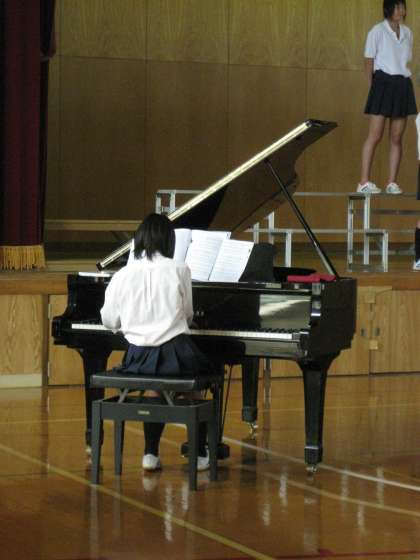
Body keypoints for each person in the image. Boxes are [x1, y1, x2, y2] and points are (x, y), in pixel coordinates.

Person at [100, 213, 214, 471]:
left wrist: (132, 324)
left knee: (154, 387)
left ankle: (150, 454)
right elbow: (187, 314)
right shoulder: (180, 269)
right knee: (196, 389)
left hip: (137, 357)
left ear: (139, 240)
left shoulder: (122, 274)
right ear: (169, 241)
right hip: (175, 352)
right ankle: (198, 454)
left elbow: (109, 320)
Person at [357, 0, 417, 195]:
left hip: (402, 84)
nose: (401, 10)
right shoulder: (377, 31)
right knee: (375, 135)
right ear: (388, 9)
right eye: (397, 7)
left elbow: (404, 60)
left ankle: (392, 182)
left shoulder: (408, 33)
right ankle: (364, 181)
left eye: (403, 7)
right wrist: (373, 88)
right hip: (382, 83)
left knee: (396, 137)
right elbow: (368, 61)